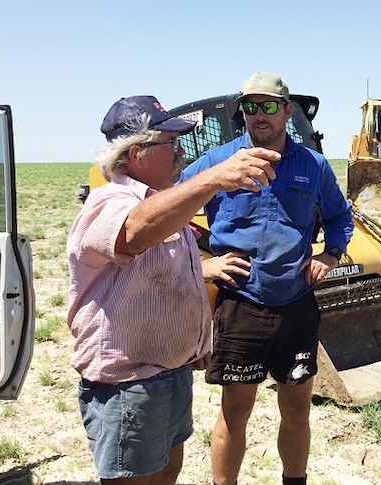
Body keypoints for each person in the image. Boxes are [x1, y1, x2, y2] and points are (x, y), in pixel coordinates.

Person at [66, 95, 279, 484]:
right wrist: (212, 179)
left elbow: (166, 267)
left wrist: (195, 343)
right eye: (171, 143)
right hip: (128, 385)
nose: (181, 152)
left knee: (167, 473)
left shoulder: (163, 202)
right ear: (137, 153)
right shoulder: (107, 201)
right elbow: (133, 234)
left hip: (170, 372)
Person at [179, 72, 354, 485]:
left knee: (296, 408)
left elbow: (339, 214)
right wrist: (200, 265)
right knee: (235, 410)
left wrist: (330, 253)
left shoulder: (313, 165)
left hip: (296, 302)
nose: (259, 114)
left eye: (269, 106)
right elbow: (169, 211)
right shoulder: (218, 162)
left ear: (287, 112)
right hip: (242, 303)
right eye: (251, 107)